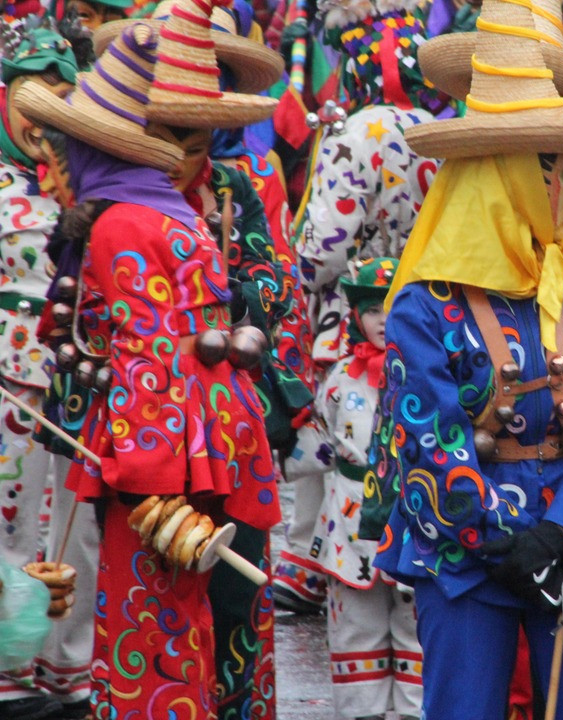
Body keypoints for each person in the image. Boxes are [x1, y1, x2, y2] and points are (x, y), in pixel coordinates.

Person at [369, 0, 563, 716]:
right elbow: (426, 447)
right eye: (554, 167)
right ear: (502, 175)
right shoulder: (423, 308)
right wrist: (505, 539)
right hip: (464, 557)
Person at [15, 19, 280, 720]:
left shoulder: (120, 226)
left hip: (162, 455)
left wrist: (143, 482)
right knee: (207, 617)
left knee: (151, 621)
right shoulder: (174, 214)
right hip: (217, 440)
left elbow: (148, 358)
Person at [283, 0, 445, 615]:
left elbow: (321, 251)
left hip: (352, 316)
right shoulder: (443, 132)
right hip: (428, 311)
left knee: (335, 440)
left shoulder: (358, 133)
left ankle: (315, 566)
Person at [0, 21, 100, 720]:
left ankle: (68, 671)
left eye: (60, 96)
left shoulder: (89, 181)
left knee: (74, 528)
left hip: (73, 387)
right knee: (5, 527)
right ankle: (8, 670)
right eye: (30, 96)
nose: (42, 115)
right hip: (5, 385)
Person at [288, 257, 423, 720]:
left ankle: (415, 710)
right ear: (355, 316)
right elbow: (320, 441)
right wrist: (278, 441)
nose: (383, 320)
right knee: (355, 626)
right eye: (371, 310)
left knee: (416, 622)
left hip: (413, 514)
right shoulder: (340, 378)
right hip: (349, 519)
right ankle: (361, 710)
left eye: (393, 305)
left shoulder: (431, 371)